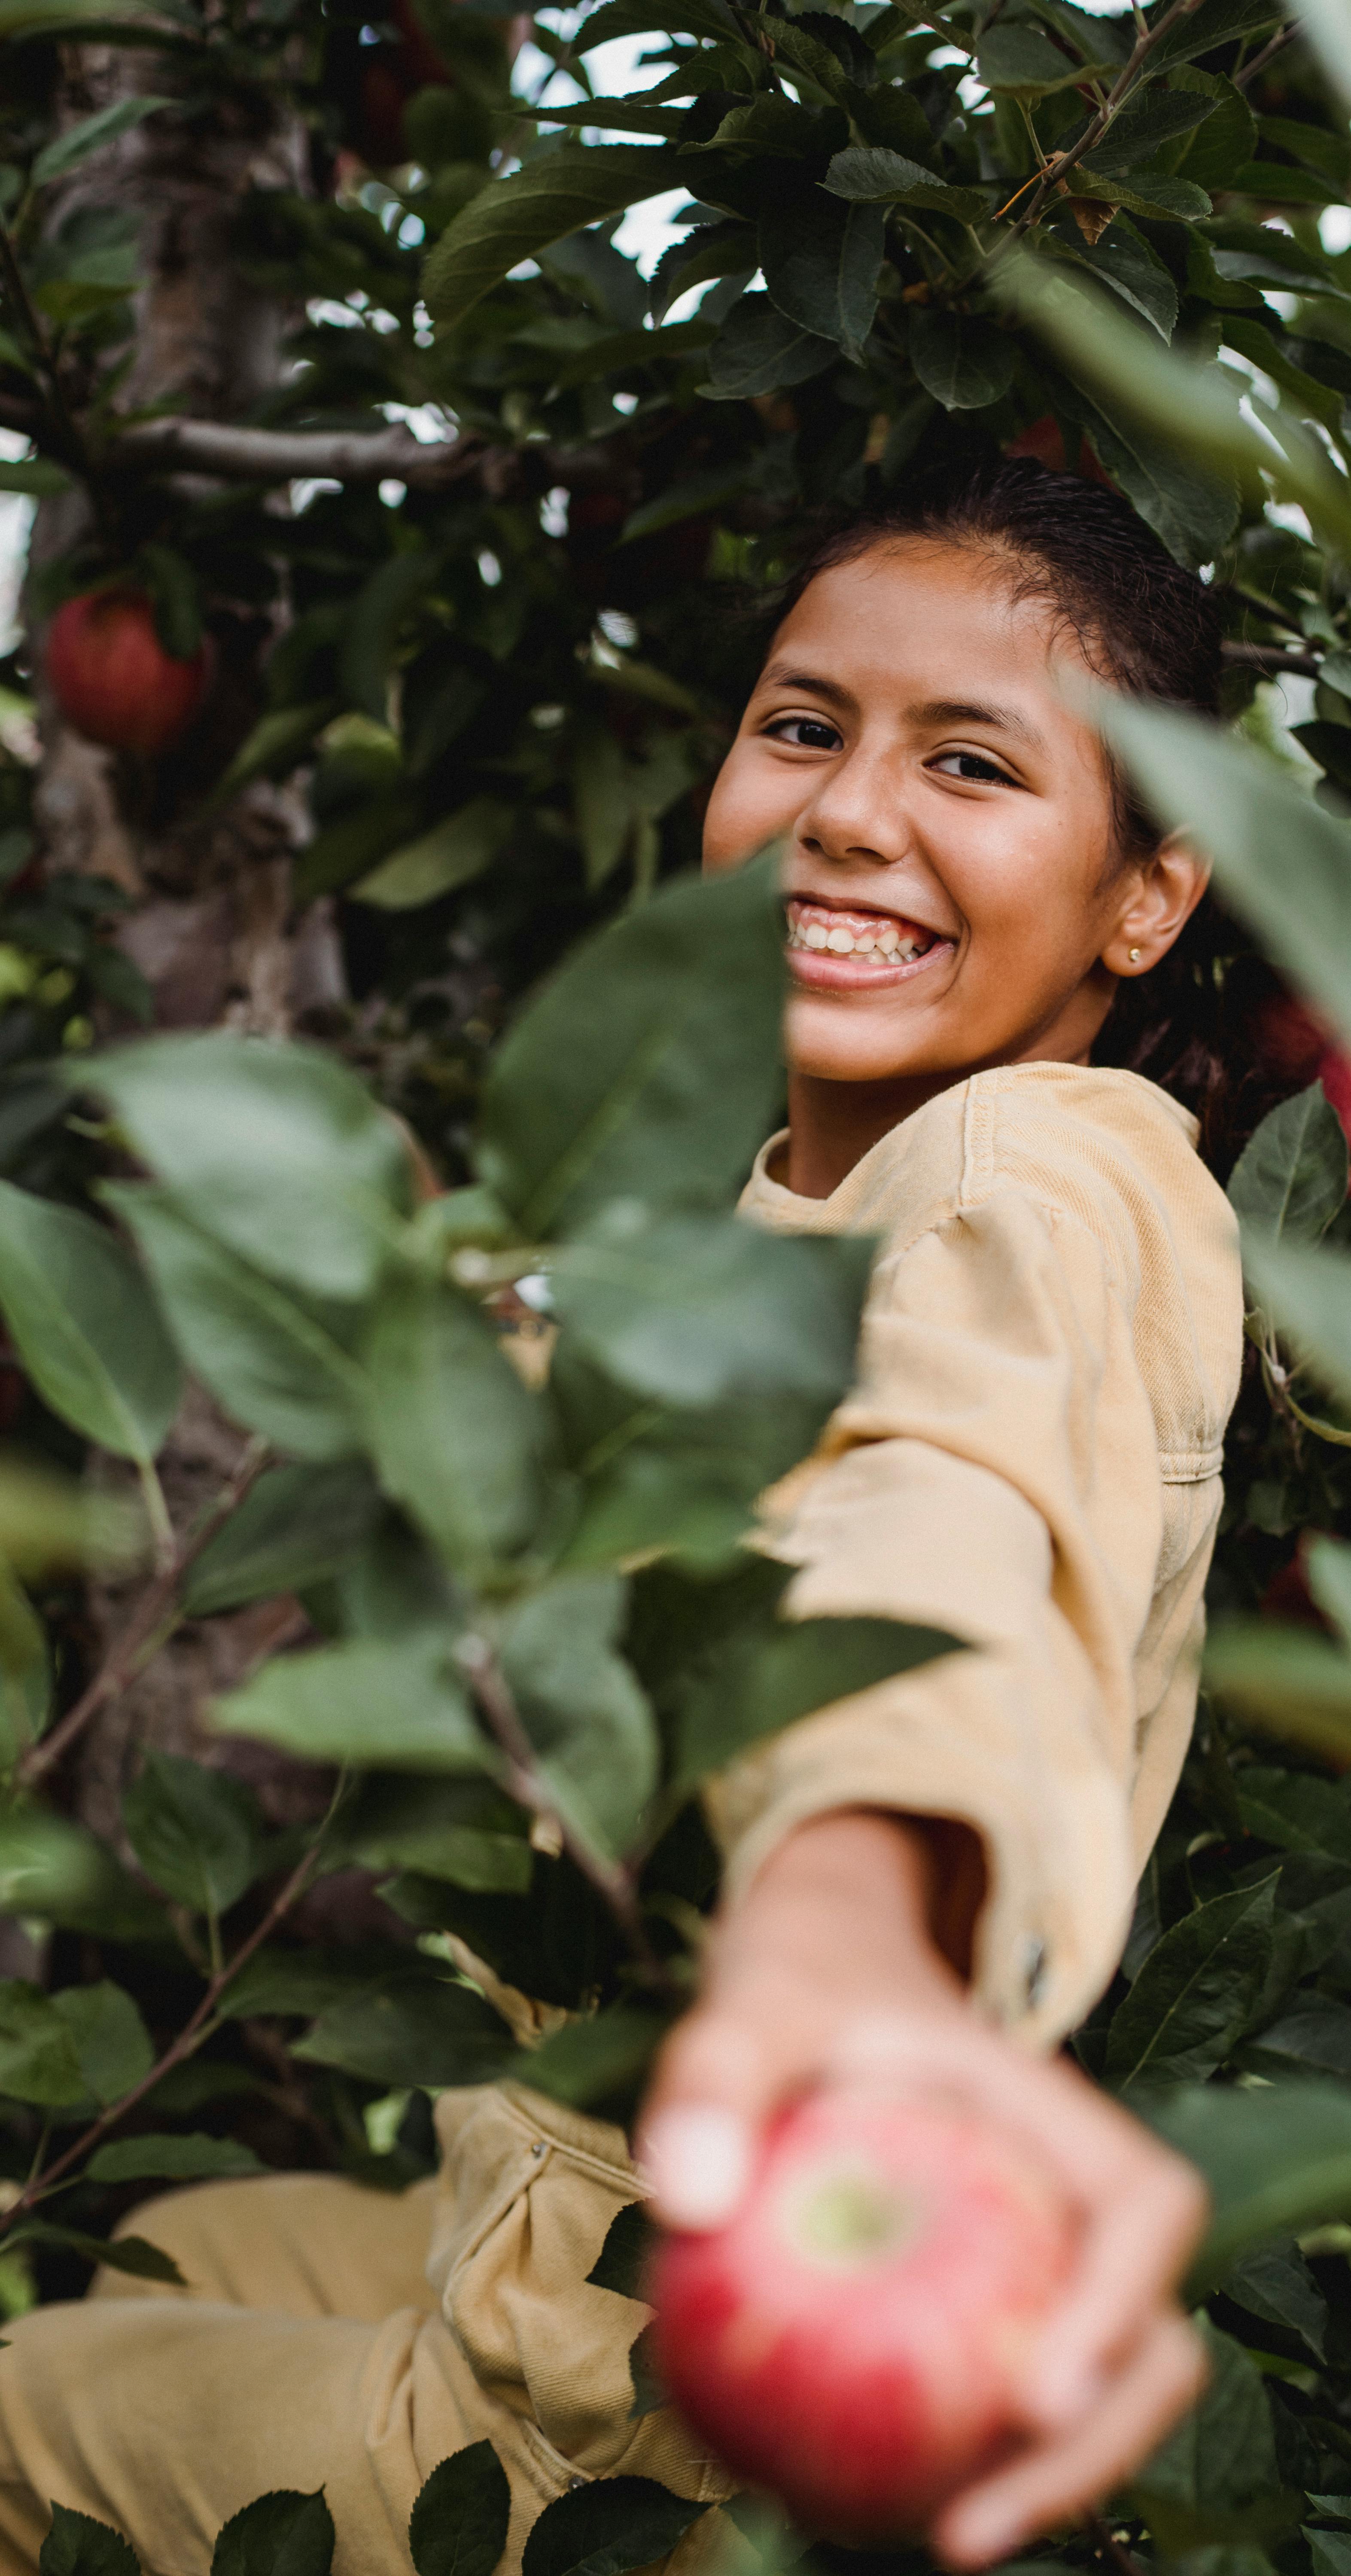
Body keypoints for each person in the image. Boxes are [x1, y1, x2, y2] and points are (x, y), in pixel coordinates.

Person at [0, 459, 1244, 2576]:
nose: (852, 811)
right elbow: (732, 1493)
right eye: (801, 726)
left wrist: (856, 1915)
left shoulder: (1040, 1170)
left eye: (970, 761)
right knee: (178, 2242)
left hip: (636, 2405)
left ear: (1146, 896)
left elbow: (949, 1511)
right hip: (553, 2223)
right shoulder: (802, 1209)